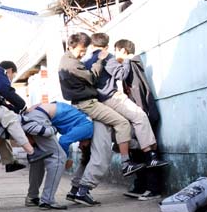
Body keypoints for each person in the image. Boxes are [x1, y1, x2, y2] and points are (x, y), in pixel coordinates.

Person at [58, 32, 145, 177]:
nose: (82, 55)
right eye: (81, 51)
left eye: (84, 51)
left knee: (89, 152)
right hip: (88, 104)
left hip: (84, 104)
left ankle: (76, 189)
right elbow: (92, 78)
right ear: (71, 46)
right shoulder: (72, 64)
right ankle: (125, 163)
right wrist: (101, 60)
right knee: (122, 124)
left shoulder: (68, 59)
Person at [90, 35, 168, 170]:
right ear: (107, 47)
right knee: (140, 116)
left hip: (96, 102)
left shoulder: (87, 60)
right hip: (110, 97)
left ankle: (130, 157)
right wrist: (126, 60)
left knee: (123, 128)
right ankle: (150, 156)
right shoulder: (106, 57)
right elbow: (121, 75)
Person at [21, 101, 94, 209]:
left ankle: (32, 197)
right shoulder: (88, 128)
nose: (79, 147)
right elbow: (64, 141)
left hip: (35, 115)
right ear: (89, 144)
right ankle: (47, 200)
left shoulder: (79, 117)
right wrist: (66, 159)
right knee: (59, 157)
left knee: (40, 158)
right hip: (40, 118)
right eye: (83, 147)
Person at [120, 49, 165, 201]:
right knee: (137, 151)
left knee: (148, 151)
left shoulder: (131, 65)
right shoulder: (130, 66)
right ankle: (141, 185)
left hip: (142, 114)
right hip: (136, 115)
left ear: (123, 50)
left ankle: (153, 189)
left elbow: (138, 92)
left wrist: (140, 115)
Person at [65, 121, 113, 206]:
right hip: (97, 123)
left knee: (87, 159)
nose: (79, 145)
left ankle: (74, 191)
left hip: (89, 124)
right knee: (100, 156)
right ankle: (82, 193)